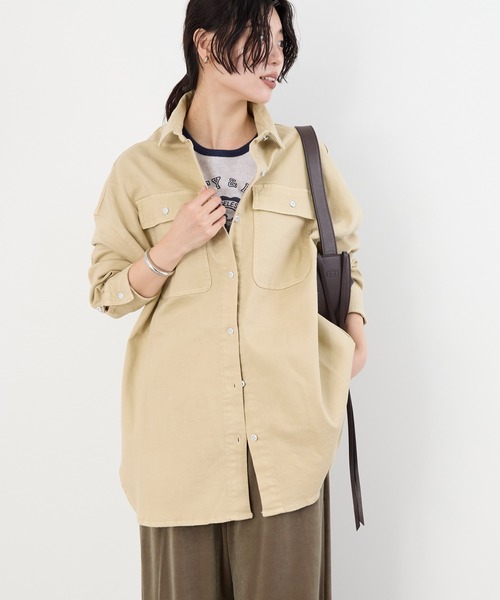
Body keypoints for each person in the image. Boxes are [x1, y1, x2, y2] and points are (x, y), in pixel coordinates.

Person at [89, 0, 367, 598]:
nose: (277, 58)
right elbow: (107, 292)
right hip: (178, 451)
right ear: (206, 43)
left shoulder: (303, 155)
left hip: (286, 444)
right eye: (260, 38)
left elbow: (343, 252)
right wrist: (172, 246)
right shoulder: (137, 170)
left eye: (281, 41)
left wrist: (354, 335)